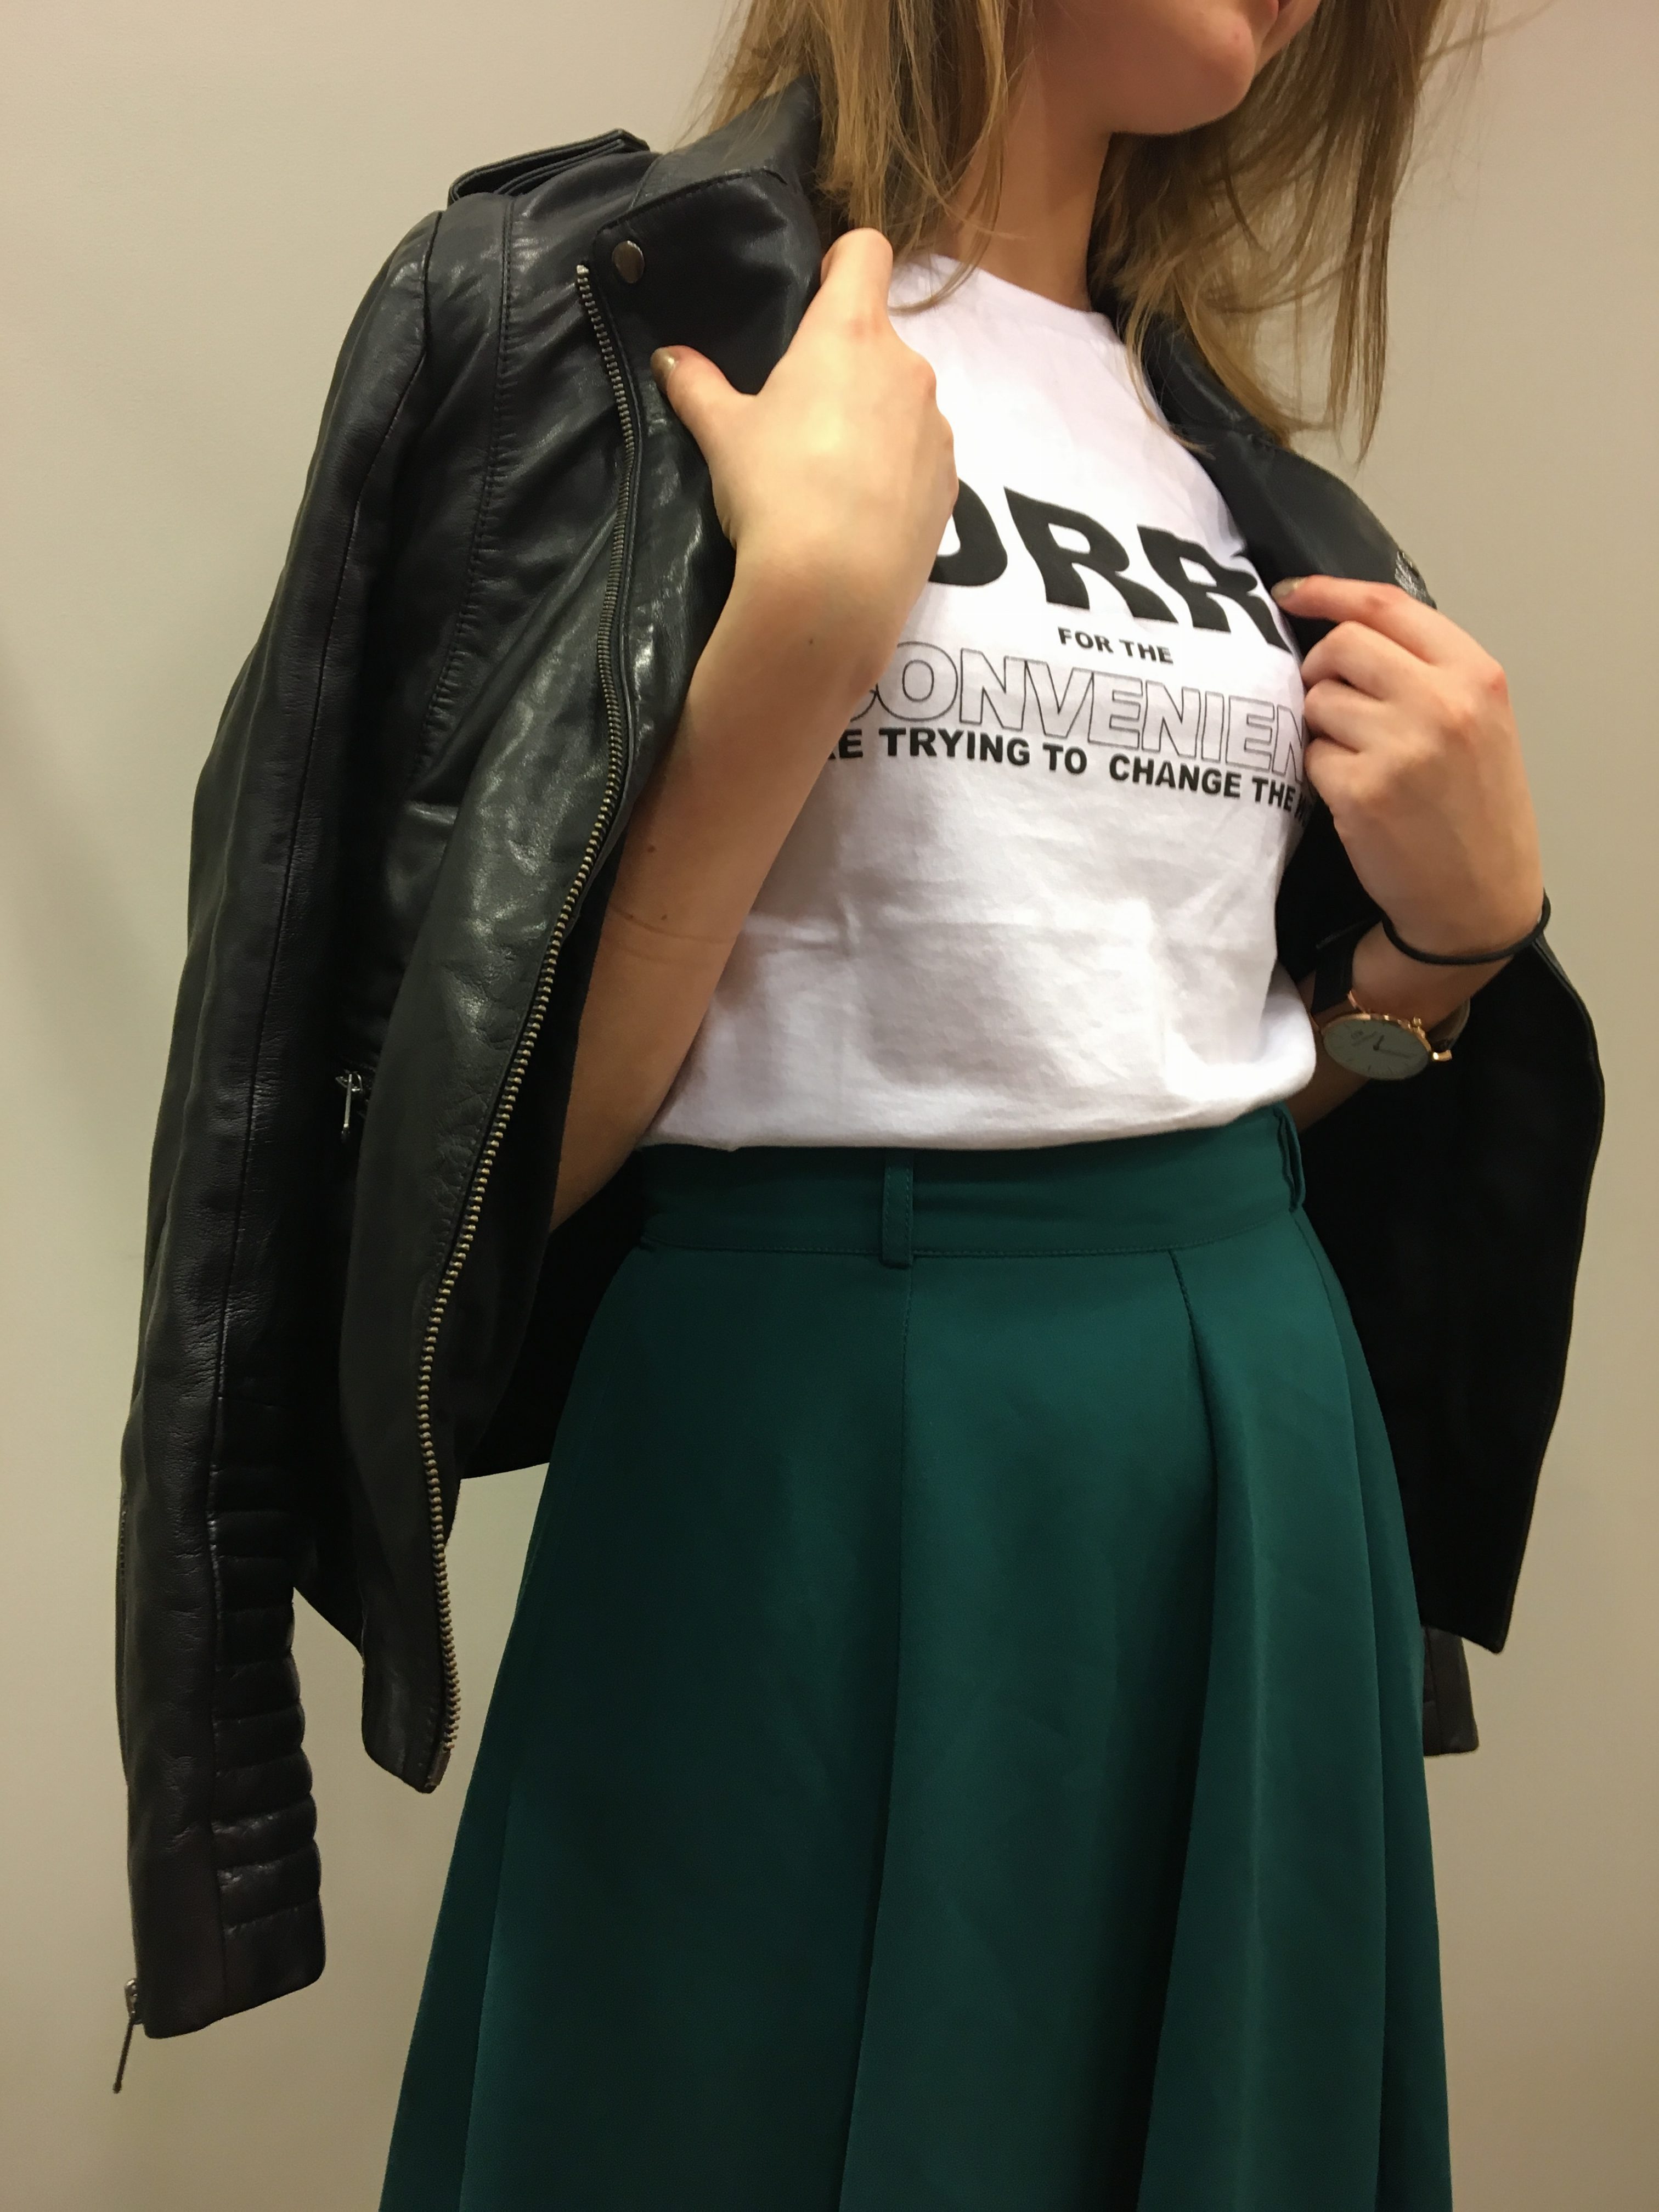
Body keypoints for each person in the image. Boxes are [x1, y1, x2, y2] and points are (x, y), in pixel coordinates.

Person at [115, 1, 1602, 2205]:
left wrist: (1446, 959)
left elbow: (1167, 1071)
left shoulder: (1230, 462)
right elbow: (446, 1184)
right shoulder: (588, 322)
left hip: (1255, 1440)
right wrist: (794, 641)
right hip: (794, 1434)